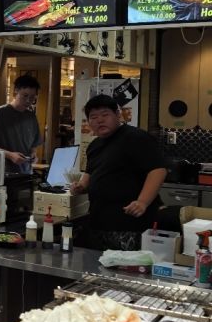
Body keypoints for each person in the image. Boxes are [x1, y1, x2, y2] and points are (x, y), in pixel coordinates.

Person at [72, 93, 167, 251]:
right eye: (93, 117)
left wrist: (142, 202)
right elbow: (90, 174)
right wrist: (81, 186)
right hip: (98, 223)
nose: (99, 120)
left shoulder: (136, 137)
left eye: (105, 115)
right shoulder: (94, 146)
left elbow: (158, 170)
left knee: (126, 266)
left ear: (117, 114)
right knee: (96, 265)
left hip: (130, 224)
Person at [0, 74, 42, 176]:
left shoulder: (31, 117)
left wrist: (33, 154)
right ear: (15, 91)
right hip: (2, 173)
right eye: (25, 96)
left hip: (25, 173)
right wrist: (9, 155)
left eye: (32, 97)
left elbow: (33, 145)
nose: (28, 101)